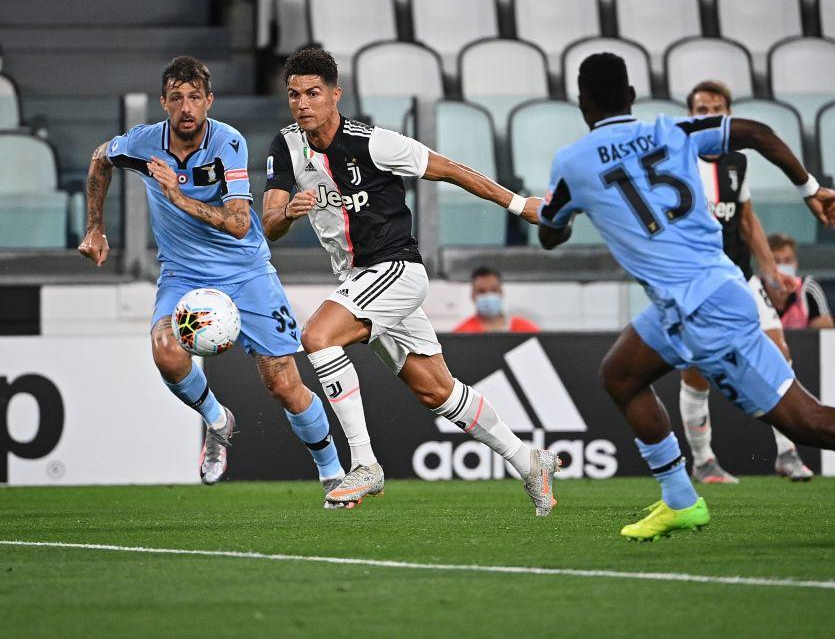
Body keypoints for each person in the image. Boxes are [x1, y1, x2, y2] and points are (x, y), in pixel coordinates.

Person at [539, 52, 835, 539]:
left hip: (707, 310)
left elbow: (549, 235)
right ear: (631, 96)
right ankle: (680, 499)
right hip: (694, 298)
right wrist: (810, 188)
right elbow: (758, 134)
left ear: (581, 102)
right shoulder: (674, 131)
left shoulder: (571, 163)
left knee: (804, 421)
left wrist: (563, 216)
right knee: (620, 374)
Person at [260, 48, 559, 514]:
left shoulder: (373, 143)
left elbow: (452, 169)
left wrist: (521, 206)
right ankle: (528, 461)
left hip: (397, 270)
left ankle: (364, 463)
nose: (303, 103)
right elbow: (269, 223)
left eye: (314, 93)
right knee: (436, 390)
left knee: (317, 336)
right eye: (295, 94)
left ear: (335, 95)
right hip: (359, 279)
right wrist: (287, 212)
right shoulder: (286, 146)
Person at [77, 56, 373, 507]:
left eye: (195, 97)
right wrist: (95, 227)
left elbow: (238, 224)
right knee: (165, 353)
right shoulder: (142, 143)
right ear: (164, 103)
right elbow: (101, 159)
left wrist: (177, 197)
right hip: (183, 274)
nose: (186, 107)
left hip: (246, 270)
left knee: (283, 384)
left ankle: (332, 472)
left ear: (209, 101)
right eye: (176, 98)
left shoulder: (228, 143)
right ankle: (218, 421)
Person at [675, 81, 813, 484]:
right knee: (696, 370)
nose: (708, 114)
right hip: (696, 283)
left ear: (729, 114)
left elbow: (748, 219)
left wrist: (770, 273)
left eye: (716, 108)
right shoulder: (676, 159)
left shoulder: (737, 161)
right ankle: (703, 462)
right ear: (689, 114)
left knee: (778, 351)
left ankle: (787, 453)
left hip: (740, 275)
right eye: (701, 108)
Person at [768, 233, 835, 329]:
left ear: (795, 263)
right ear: (764, 264)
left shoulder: (808, 288)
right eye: (776, 261)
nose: (782, 267)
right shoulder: (752, 289)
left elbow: (826, 328)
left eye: (787, 261)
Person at [453, 266, 541, 333]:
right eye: (481, 291)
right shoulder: (462, 333)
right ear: (472, 296)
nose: (488, 295)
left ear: (502, 292)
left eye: (493, 290)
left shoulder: (525, 329)